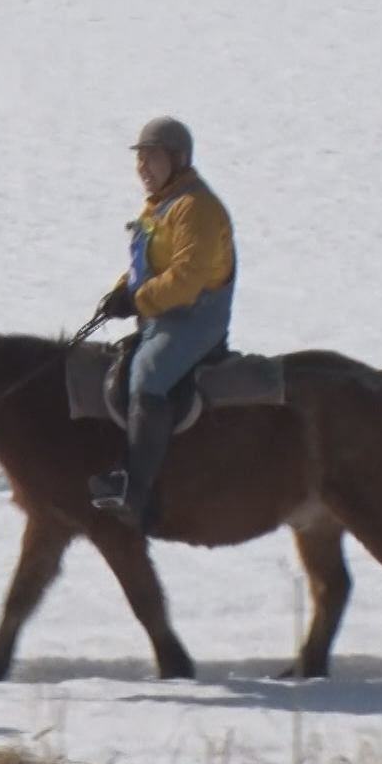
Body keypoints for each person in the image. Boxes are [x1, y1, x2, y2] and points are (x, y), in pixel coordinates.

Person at [88, 116, 236, 534]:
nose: (143, 168)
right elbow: (148, 266)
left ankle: (135, 490)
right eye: (140, 159)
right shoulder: (159, 207)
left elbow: (186, 280)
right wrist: (122, 290)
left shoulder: (197, 208)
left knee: (148, 372)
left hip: (194, 319)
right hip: (160, 316)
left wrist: (137, 300)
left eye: (151, 158)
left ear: (178, 158)